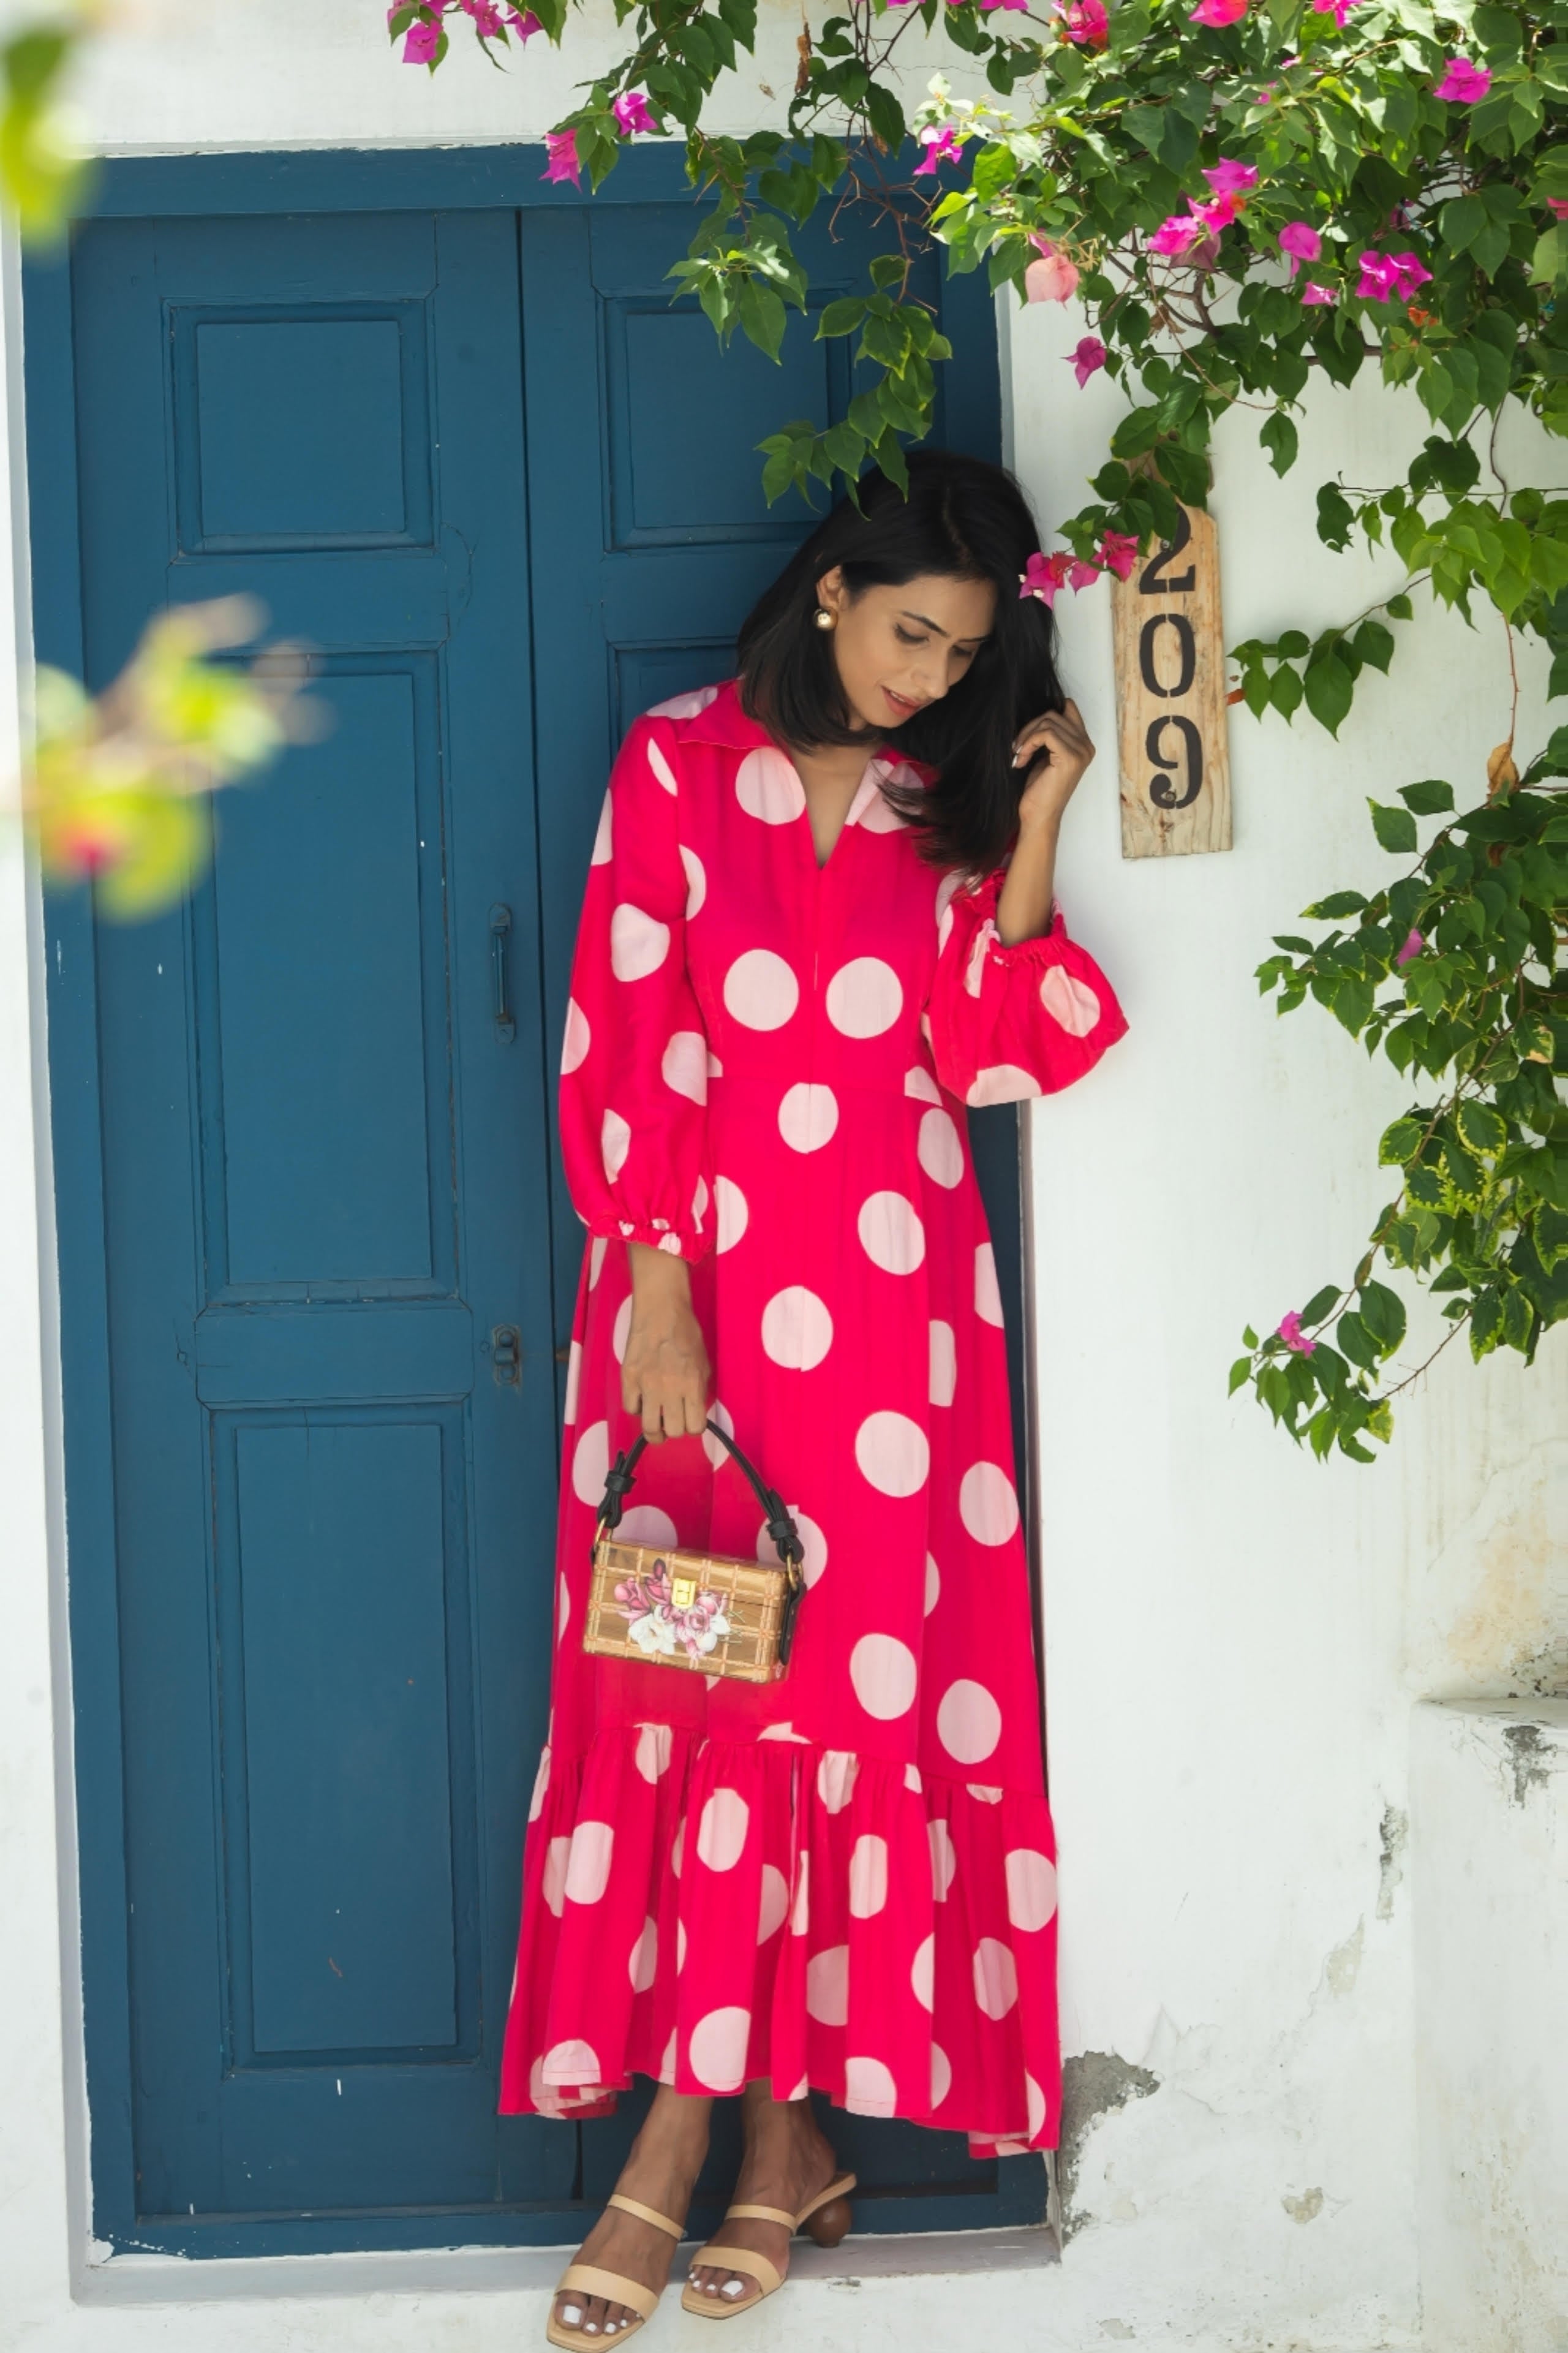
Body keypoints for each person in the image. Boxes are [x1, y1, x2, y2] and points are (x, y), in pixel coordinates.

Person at [499, 448, 1128, 2349]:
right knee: (699, 1682)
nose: (928, 676)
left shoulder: (948, 787)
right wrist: (661, 1284)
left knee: (843, 1697)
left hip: (901, 1330)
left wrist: (1032, 821)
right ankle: (714, 2124)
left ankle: (760, 2139)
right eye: (910, 630)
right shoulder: (680, 763)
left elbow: (1002, 1046)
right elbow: (629, 1025)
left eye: (965, 650)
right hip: (698, 1303)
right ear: (834, 591)